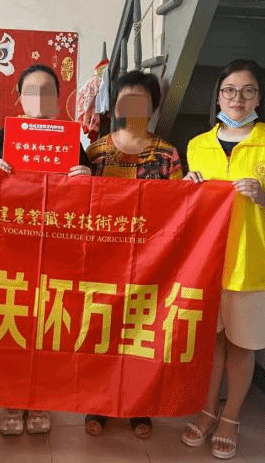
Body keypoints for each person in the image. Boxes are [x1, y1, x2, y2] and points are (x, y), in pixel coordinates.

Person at [181, 59, 265, 459]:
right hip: (206, 264)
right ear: (218, 96)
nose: (238, 98)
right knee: (210, 344)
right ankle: (207, 411)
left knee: (242, 345)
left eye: (248, 91)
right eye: (229, 90)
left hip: (252, 264)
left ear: (259, 97)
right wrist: (186, 189)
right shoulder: (197, 145)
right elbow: (187, 209)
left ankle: (231, 417)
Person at [0, 64, 90, 436]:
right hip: (12, 252)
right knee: (13, 327)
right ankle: (13, 401)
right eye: (31, 91)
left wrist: (87, 178)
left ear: (58, 99)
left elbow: (93, 199)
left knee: (48, 328)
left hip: (56, 252)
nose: (40, 99)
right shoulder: (3, 137)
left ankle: (41, 401)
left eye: (48, 91)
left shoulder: (72, 141)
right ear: (19, 98)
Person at [85, 70, 183, 440]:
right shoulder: (96, 151)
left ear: (153, 106)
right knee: (104, 332)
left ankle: (139, 405)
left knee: (143, 334)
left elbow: (181, 206)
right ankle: (100, 403)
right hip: (103, 260)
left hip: (150, 261)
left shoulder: (167, 154)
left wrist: (194, 188)